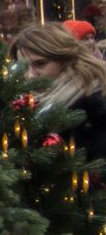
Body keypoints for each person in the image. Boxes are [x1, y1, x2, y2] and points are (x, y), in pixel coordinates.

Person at [13, 21, 106, 159]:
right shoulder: (21, 105)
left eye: (40, 63)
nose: (30, 75)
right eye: (24, 66)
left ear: (64, 59)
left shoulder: (93, 102)